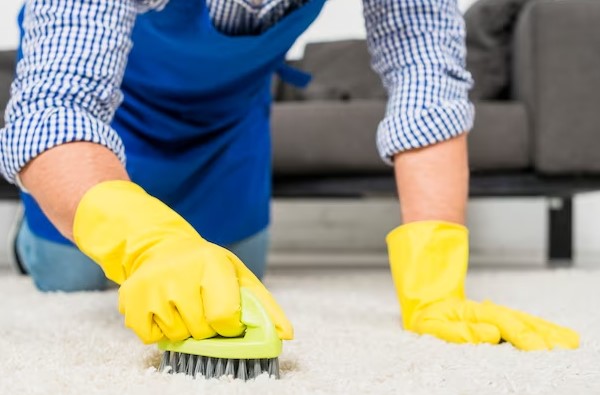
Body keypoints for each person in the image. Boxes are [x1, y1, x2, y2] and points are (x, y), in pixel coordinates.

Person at [0, 0, 578, 350]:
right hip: (110, 117)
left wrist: (436, 286)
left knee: (234, 280)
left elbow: (427, 75)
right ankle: (32, 243)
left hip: (225, 124)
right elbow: (55, 109)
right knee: (71, 274)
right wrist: (145, 242)